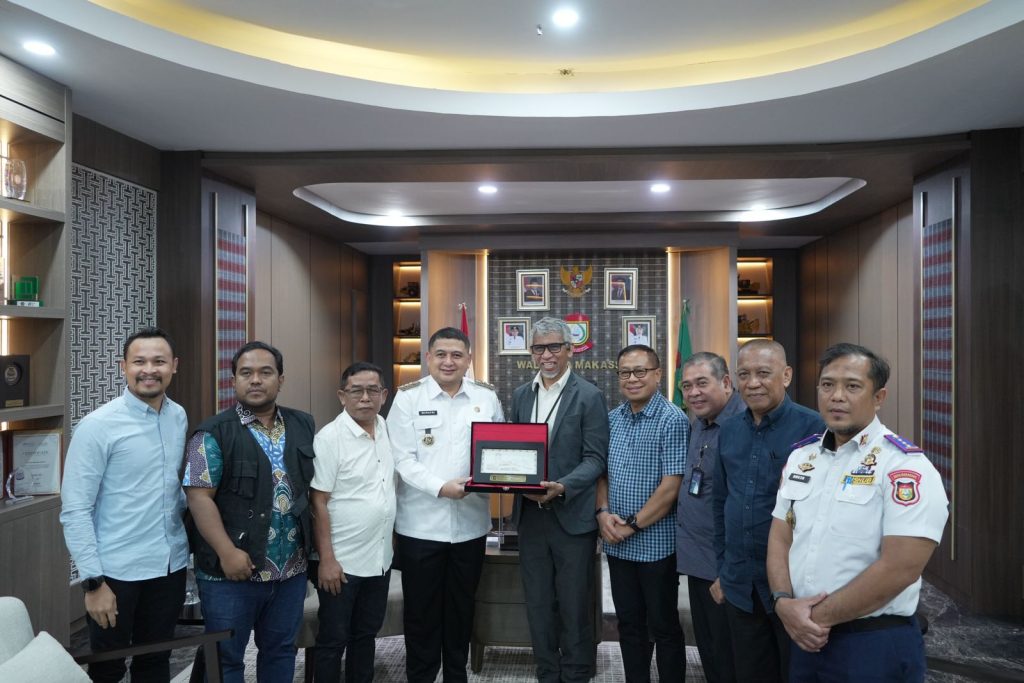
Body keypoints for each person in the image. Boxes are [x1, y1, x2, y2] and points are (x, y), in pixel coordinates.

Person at [767, 343, 948, 682]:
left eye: (852, 386)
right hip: (804, 636)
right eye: (827, 385)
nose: (836, 396)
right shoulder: (802, 458)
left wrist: (814, 617)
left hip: (872, 642)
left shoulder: (905, 467)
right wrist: (782, 601)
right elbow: (780, 536)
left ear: (879, 397)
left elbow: (900, 568)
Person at [60, 327, 188, 683]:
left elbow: (169, 487)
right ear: (123, 367)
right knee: (108, 668)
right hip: (116, 572)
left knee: (156, 661)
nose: (149, 370)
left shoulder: (178, 416)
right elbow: (75, 509)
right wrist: (92, 583)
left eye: (159, 361)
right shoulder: (98, 426)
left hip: (169, 566)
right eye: (139, 362)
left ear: (174, 366)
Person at [183, 341, 316, 683]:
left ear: (280, 379)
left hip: (290, 571)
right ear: (234, 381)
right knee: (225, 660)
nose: (255, 380)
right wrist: (226, 552)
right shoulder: (209, 433)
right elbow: (198, 497)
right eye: (246, 373)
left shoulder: (303, 424)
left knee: (282, 651)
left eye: (265, 372)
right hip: (230, 573)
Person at [386, 327, 504, 682]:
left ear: (468, 359)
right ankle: (421, 676)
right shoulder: (408, 398)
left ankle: (456, 674)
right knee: (421, 613)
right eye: (441, 354)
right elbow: (401, 459)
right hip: (420, 527)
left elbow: (499, 451)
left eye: (456, 355)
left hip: (470, 526)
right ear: (428, 358)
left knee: (461, 609)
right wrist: (440, 488)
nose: (448, 361)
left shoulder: (486, 397)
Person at [712, 339, 824, 682]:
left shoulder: (815, 429)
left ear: (786, 375)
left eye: (763, 373)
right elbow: (721, 503)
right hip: (740, 586)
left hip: (794, 588)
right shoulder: (729, 430)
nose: (753, 383)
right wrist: (723, 568)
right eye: (744, 375)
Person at [507, 316, 610, 682]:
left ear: (570, 350)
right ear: (531, 352)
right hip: (531, 516)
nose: (546, 355)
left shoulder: (589, 396)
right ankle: (547, 671)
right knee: (537, 600)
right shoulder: (521, 395)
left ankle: (577, 672)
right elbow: (515, 451)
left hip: (572, 515)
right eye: (539, 348)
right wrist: (508, 478)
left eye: (554, 347)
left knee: (574, 601)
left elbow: (595, 459)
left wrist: (563, 485)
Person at [597, 344, 687, 682]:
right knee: (629, 623)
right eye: (625, 372)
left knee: (663, 625)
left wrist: (632, 526)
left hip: (656, 547)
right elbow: (602, 475)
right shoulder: (612, 419)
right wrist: (603, 513)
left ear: (658, 374)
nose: (632, 379)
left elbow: (671, 487)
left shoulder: (673, 419)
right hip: (617, 543)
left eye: (640, 371)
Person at [309, 362, 396, 683]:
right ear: (342, 396)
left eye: (372, 390)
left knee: (366, 635)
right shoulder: (330, 438)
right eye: (356, 391)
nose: (365, 398)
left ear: (384, 395)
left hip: (379, 559)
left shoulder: (385, 427)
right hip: (341, 563)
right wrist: (327, 560)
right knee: (333, 640)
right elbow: (318, 501)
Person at [675, 351, 745, 683]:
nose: (693, 393)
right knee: (711, 653)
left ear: (726, 382)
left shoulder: (743, 426)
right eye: (687, 386)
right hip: (698, 560)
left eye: (702, 383)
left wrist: (729, 571)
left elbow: (747, 508)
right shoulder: (700, 424)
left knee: (733, 658)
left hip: (726, 568)